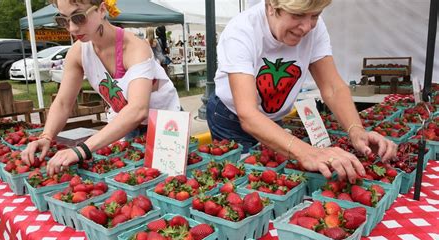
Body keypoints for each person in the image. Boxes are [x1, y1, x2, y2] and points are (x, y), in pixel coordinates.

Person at [206, 0, 397, 183]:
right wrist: (308, 153)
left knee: (274, 177)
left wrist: (356, 130)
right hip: (230, 118)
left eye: (315, 15)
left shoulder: (316, 28)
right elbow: (247, 114)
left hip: (271, 118)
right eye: (297, 15)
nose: (306, 27)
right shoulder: (241, 31)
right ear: (272, 5)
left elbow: (332, 87)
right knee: (241, 182)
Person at [21, 0, 181, 176]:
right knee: (127, 181)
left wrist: (81, 150)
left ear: (102, 10)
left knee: (165, 183)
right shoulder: (78, 52)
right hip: (124, 124)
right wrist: (46, 136)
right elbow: (63, 102)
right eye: (64, 20)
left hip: (166, 125)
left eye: (78, 17)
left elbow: (137, 109)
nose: (72, 28)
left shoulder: (135, 48)